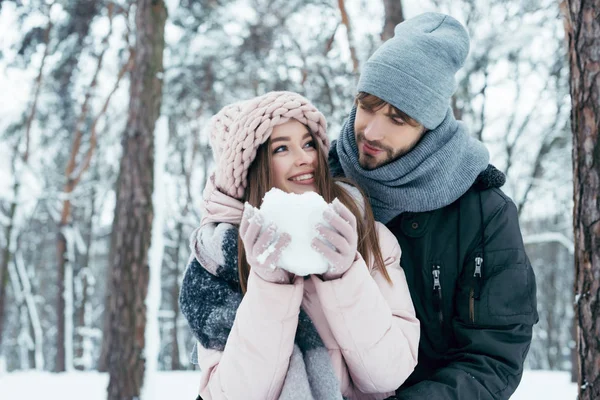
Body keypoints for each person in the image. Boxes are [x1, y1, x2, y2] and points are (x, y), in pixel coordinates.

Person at [328, 12, 539, 400]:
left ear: (429, 123)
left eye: (397, 118)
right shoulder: (319, 182)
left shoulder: (483, 212)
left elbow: (492, 358)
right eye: (367, 104)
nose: (372, 130)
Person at [179, 91, 420, 400]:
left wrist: (344, 276)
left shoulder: (365, 234)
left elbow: (389, 373)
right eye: (282, 148)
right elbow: (234, 394)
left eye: (308, 144)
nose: (305, 157)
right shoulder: (218, 258)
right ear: (252, 168)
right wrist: (269, 284)